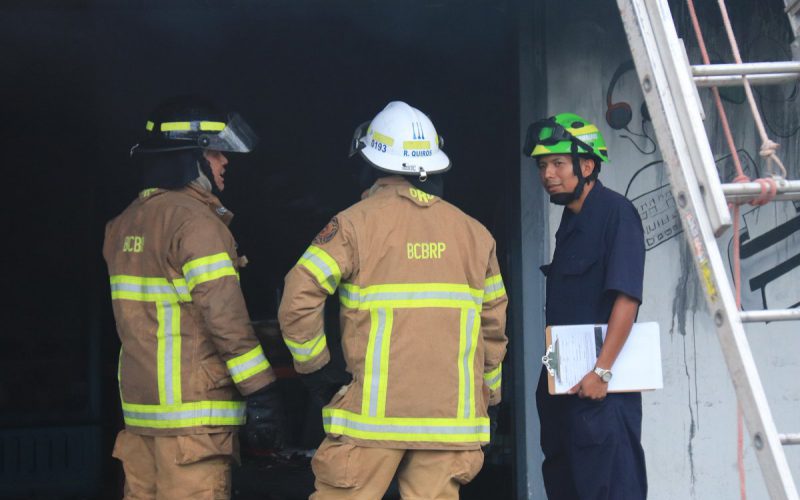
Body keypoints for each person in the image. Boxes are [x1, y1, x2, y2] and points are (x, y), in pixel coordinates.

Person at [278, 101, 508, 499]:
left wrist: (317, 371)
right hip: (450, 423)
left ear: (370, 164)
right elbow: (493, 329)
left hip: (370, 421)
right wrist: (492, 398)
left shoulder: (353, 224)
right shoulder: (475, 234)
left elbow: (298, 299)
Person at [103, 96, 285, 499]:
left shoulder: (123, 224)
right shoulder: (196, 224)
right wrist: (261, 391)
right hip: (193, 425)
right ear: (190, 158)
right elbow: (225, 319)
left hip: (142, 419)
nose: (224, 161)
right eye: (215, 152)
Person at [525, 112, 647, 499]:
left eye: (558, 163)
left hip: (600, 395)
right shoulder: (571, 220)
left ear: (588, 166)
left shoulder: (616, 214)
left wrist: (602, 372)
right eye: (542, 165)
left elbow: (627, 298)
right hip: (565, 390)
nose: (548, 174)